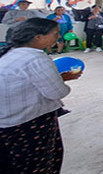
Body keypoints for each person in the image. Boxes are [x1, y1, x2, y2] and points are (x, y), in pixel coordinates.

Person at [0, 18, 82, 173]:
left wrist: (58, 77)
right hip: (27, 123)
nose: (58, 36)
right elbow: (57, 92)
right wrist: (60, 83)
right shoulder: (36, 57)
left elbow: (24, 83)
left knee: (9, 164)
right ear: (37, 37)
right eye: (55, 33)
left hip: (6, 122)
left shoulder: (10, 52)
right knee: (35, 164)